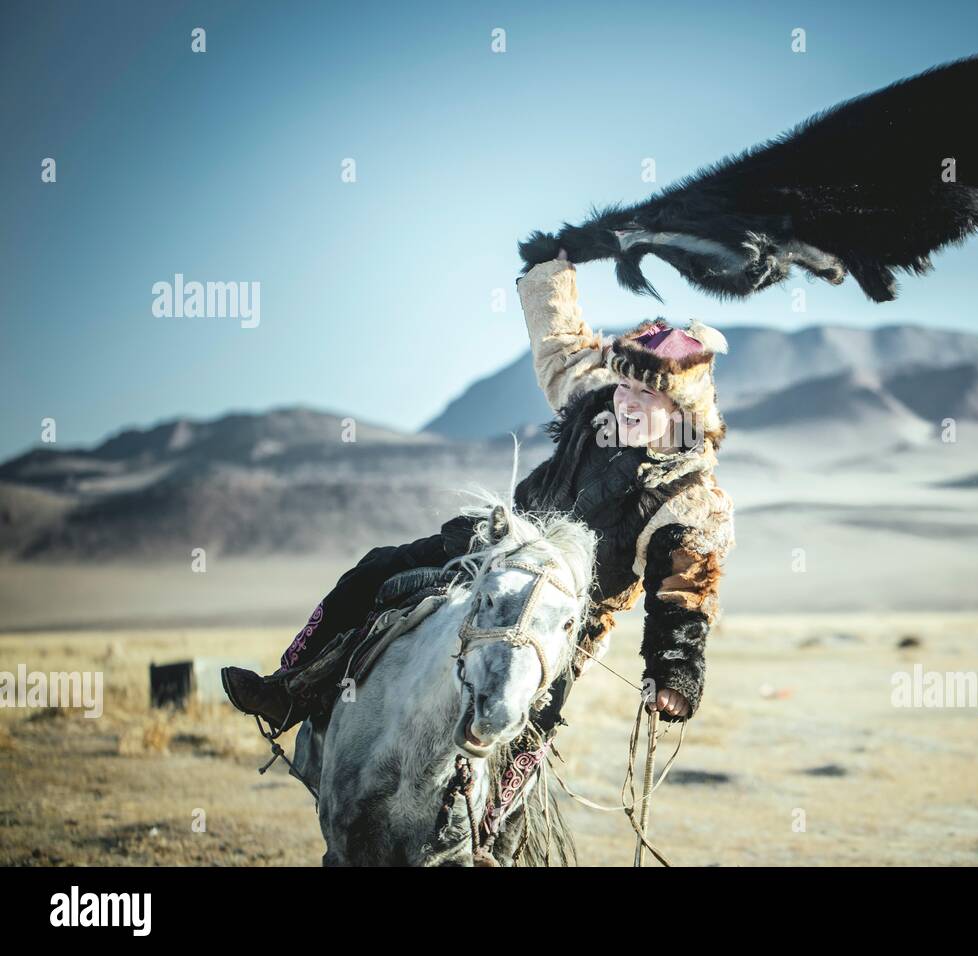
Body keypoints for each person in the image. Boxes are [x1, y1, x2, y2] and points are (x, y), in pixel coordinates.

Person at [221, 253, 734, 758]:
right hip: (497, 548)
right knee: (376, 570)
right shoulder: (595, 404)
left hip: (565, 611)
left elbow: (684, 591)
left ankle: (492, 831)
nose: (626, 401)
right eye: (623, 385)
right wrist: (548, 273)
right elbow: (563, 349)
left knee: (532, 724)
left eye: (645, 394)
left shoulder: (690, 500)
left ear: (680, 407)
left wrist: (674, 673)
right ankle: (289, 691)